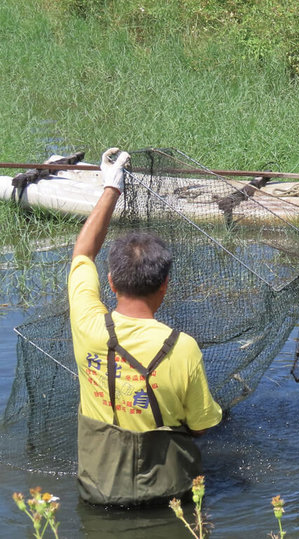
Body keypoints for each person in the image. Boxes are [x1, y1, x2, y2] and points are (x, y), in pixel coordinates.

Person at [69, 148, 222, 505]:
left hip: (98, 490)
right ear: (165, 285)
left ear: (110, 281)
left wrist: (111, 187)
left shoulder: (88, 323)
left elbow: (82, 253)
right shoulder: (182, 346)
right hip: (167, 494)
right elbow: (201, 426)